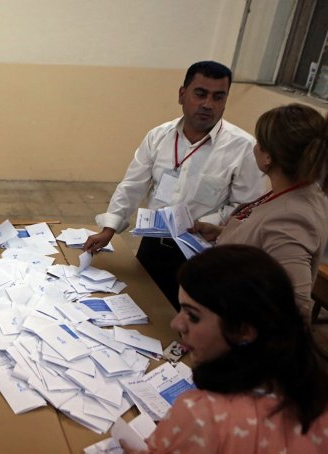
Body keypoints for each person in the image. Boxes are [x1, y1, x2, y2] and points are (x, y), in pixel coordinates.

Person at [83, 61, 266, 310]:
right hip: (153, 245)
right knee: (147, 312)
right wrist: (109, 228)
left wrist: (209, 223)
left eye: (218, 96)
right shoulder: (159, 136)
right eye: (200, 94)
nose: (208, 104)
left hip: (203, 253)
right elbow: (132, 185)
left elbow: (244, 208)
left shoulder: (243, 147)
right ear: (182, 95)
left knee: (187, 322)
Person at [125, 245, 328, 453]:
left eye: (193, 316)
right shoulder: (311, 391)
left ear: (243, 330)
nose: (176, 324)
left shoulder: (202, 416)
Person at [193, 104, 328, 321]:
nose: (254, 147)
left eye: (259, 143)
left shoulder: (292, 219)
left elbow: (296, 306)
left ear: (268, 157)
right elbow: (265, 244)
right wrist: (222, 233)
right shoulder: (297, 191)